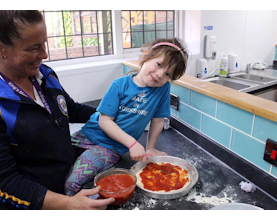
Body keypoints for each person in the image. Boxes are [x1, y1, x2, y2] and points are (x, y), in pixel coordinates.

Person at [0, 10, 115, 210]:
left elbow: (69, 109)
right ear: (0, 48)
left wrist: (112, 116)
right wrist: (69, 204)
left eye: (44, 43)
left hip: (67, 184)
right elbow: (3, 181)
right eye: (34, 47)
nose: (44, 54)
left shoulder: (44, 75)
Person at [65, 38, 189, 195]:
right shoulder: (119, 85)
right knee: (52, 163)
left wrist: (150, 148)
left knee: (72, 183)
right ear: (147, 55)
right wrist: (132, 144)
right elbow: (104, 122)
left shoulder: (162, 89)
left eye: (167, 74)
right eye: (159, 65)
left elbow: (158, 120)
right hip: (86, 134)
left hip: (109, 148)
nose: (159, 74)